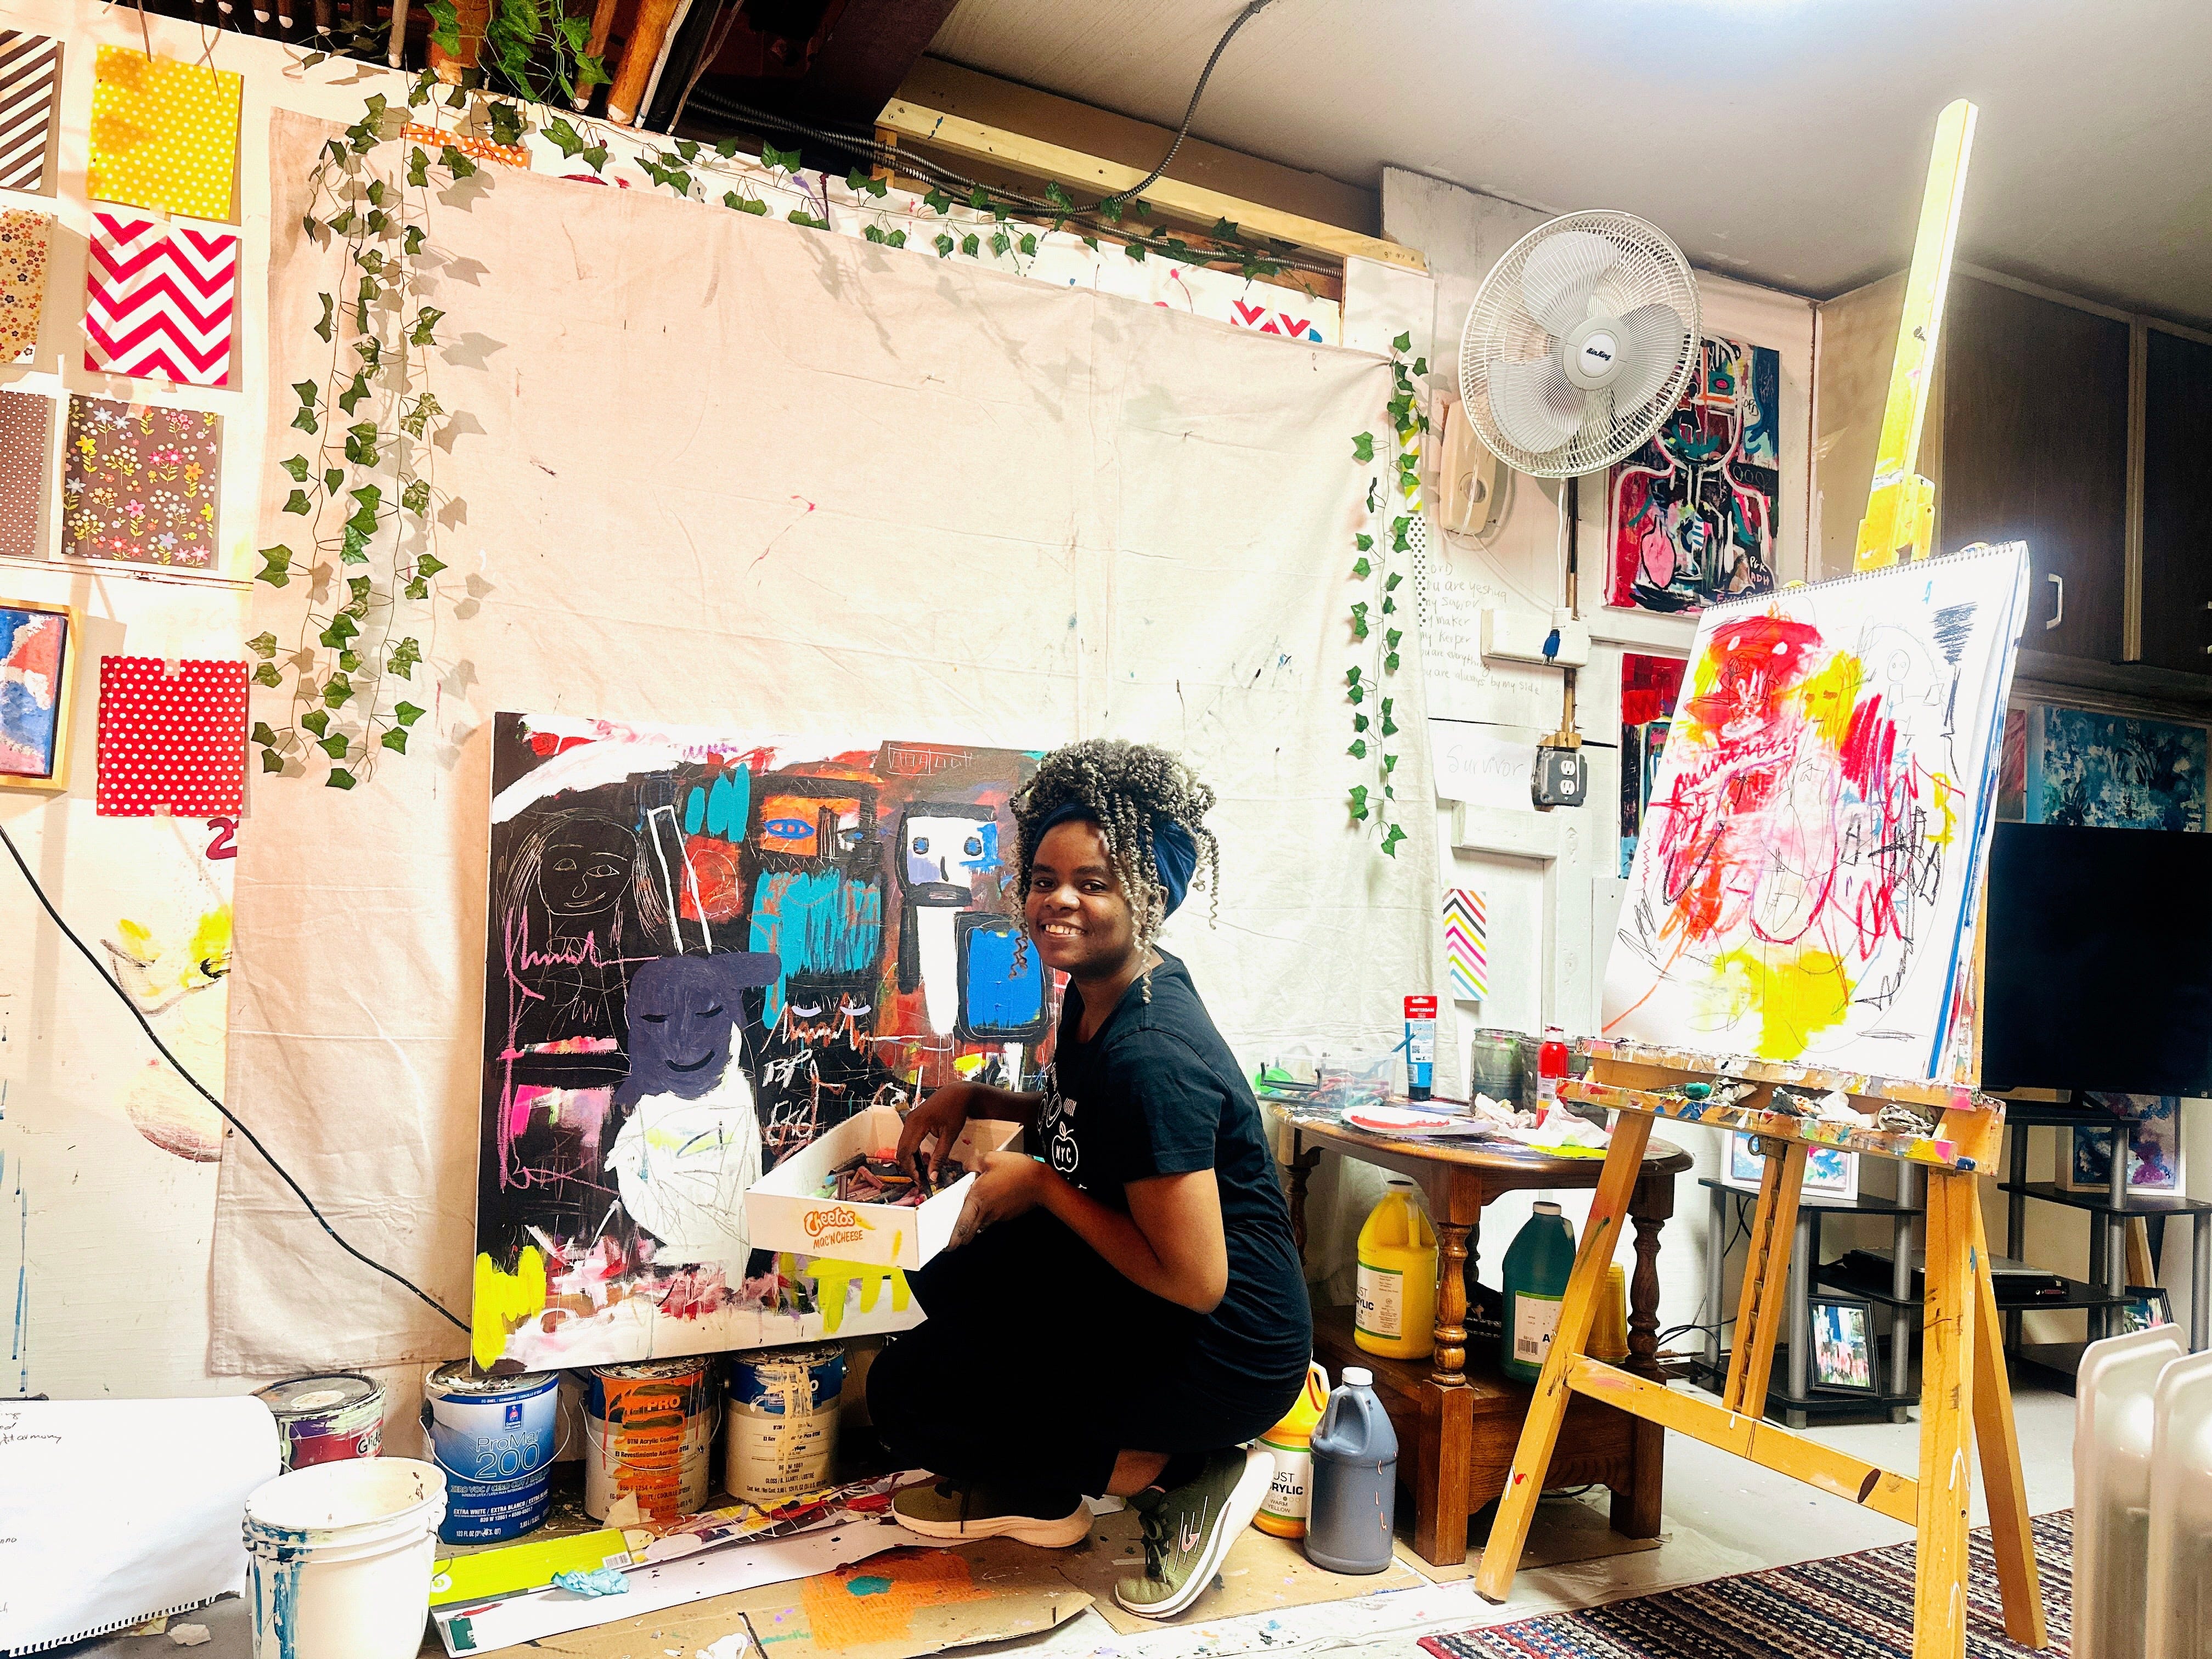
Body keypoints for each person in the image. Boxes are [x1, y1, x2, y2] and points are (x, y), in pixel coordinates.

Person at [868, 738, 1311, 1621]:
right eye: (1044, 879)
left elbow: (1195, 1280)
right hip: (1174, 1300)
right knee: (950, 1269)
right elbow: (1090, 1115)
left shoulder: (1154, 1054)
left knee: (908, 1397)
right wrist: (977, 1096)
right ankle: (1049, 1488)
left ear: (1147, 894)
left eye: (1094, 883)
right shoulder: (1108, 987)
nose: (1058, 901)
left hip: (1229, 1345)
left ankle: (1178, 1473)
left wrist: (1039, 1188)